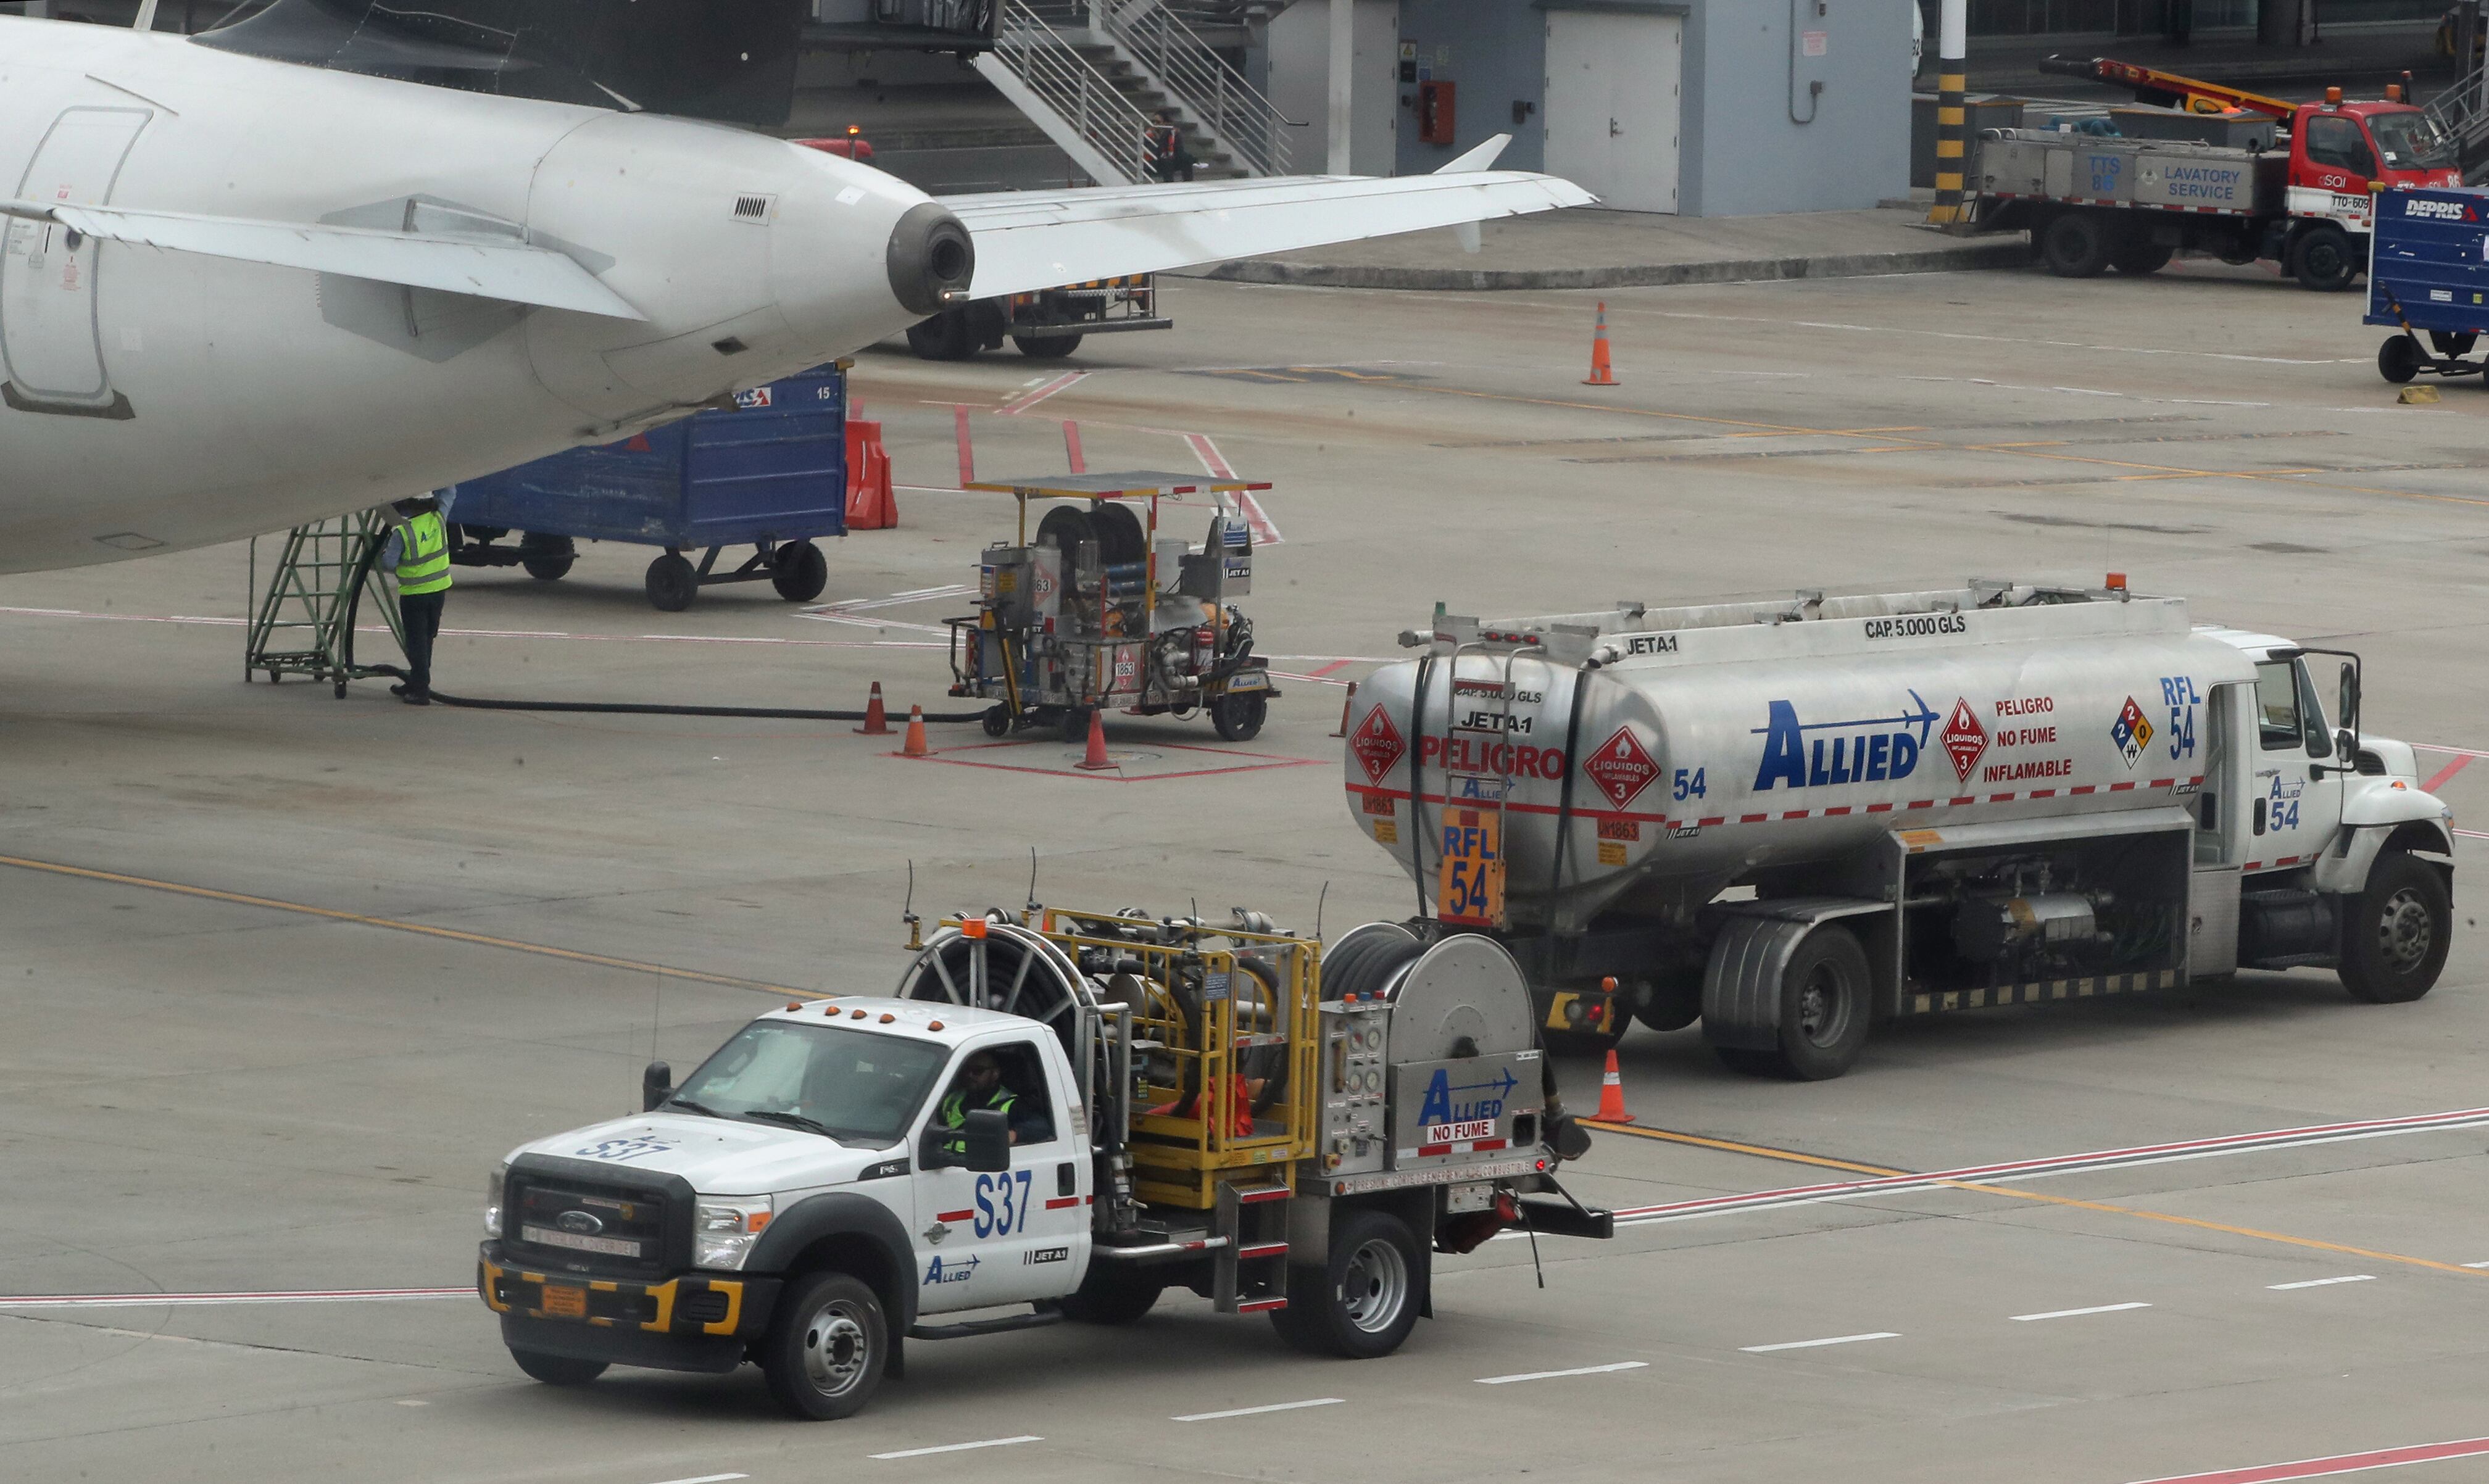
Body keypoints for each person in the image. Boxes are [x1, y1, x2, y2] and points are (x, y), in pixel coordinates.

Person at [375, 493, 453, 704]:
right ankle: (417, 681)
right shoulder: (439, 518)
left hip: (414, 595)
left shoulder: (403, 532)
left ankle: (420, 690)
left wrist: (379, 553)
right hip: (438, 592)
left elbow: (388, 564)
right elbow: (450, 493)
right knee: (427, 639)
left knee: (416, 642)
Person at [936, 1050, 1018, 1154]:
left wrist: (1014, 1134)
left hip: (981, 1164)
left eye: (977, 1071)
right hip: (946, 1161)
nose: (970, 1075)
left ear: (995, 1074)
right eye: (966, 1070)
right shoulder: (951, 1099)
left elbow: (1038, 1126)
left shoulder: (1011, 1103)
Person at [1145, 110, 1194, 183]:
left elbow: (1179, 149)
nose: (1155, 124)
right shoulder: (1149, 134)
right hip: (1155, 160)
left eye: (1158, 122)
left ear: (1165, 123)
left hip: (1171, 158)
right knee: (1167, 161)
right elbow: (1154, 151)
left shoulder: (1173, 133)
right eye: (1153, 122)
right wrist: (1159, 138)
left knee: (1187, 158)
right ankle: (1169, 184)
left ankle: (1188, 183)